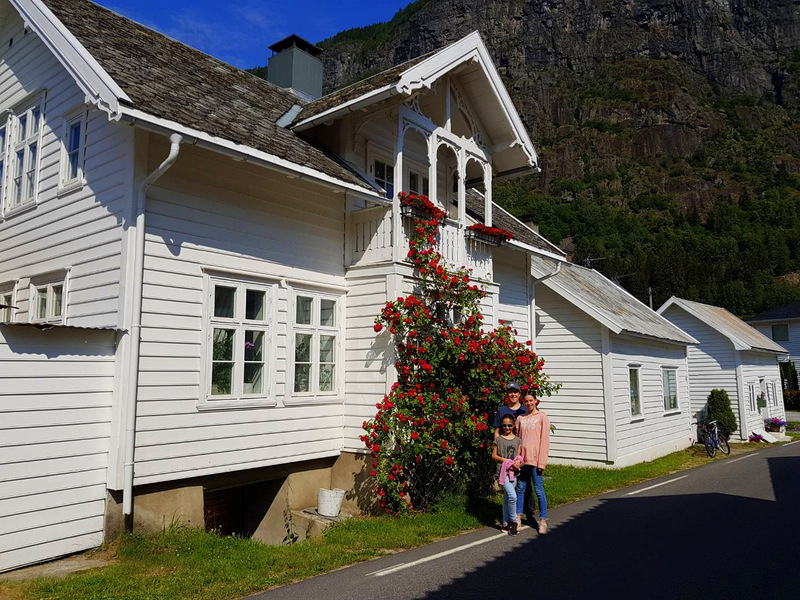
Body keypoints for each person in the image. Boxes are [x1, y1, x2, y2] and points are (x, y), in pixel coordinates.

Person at [515, 392, 551, 534]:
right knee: (521, 489)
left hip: (536, 461)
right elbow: (518, 440)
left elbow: (544, 441)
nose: (529, 403)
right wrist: (517, 459)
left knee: (539, 490)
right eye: (526, 401)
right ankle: (518, 518)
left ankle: (542, 521)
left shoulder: (542, 417)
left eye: (531, 400)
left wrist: (541, 462)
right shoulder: (520, 418)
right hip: (523, 461)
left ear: (536, 401)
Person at [492, 414, 522, 535]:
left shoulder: (517, 440)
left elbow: (519, 456)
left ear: (513, 425)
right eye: (504, 425)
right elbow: (494, 455)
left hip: (513, 473)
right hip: (503, 473)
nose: (507, 428)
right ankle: (514, 522)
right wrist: (506, 461)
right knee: (513, 497)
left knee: (506, 498)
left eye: (509, 425)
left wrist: (517, 463)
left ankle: (505, 522)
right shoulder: (498, 440)